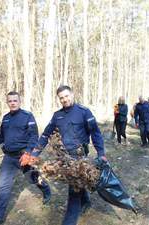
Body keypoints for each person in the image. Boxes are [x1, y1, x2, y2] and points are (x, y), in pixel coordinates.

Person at [32, 85, 107, 225]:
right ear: (59, 99)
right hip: (64, 157)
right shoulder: (57, 116)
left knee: (73, 191)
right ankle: (86, 202)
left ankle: (69, 221)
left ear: (72, 94)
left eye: (66, 96)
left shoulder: (84, 112)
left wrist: (101, 153)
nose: (65, 100)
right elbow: (45, 135)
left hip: (80, 159)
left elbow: (96, 133)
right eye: (61, 98)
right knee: (78, 184)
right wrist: (34, 153)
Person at [0, 91, 51, 225]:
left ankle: (46, 190)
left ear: (19, 102)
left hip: (24, 156)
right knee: (3, 187)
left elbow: (34, 136)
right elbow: (1, 137)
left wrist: (28, 153)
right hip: (9, 158)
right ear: (7, 102)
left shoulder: (27, 116)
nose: (12, 103)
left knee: (33, 178)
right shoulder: (6, 118)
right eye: (10, 101)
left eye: (15, 100)